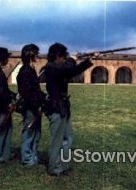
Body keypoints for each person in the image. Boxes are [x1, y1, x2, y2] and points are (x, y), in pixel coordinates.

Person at [44, 42, 95, 176]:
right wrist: (73, 59)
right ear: (57, 56)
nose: (64, 59)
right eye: (63, 56)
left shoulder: (59, 67)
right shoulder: (50, 67)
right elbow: (67, 69)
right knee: (57, 140)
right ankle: (54, 168)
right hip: (56, 107)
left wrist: (88, 61)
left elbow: (72, 71)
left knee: (68, 138)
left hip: (63, 107)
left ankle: (63, 166)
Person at [16, 44, 46, 166]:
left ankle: (33, 156)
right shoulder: (25, 72)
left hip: (35, 107)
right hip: (30, 108)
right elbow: (28, 93)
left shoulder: (30, 70)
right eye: (36, 54)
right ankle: (27, 158)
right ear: (30, 55)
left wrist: (43, 99)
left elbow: (36, 91)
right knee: (29, 133)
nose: (38, 56)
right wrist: (36, 106)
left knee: (36, 133)